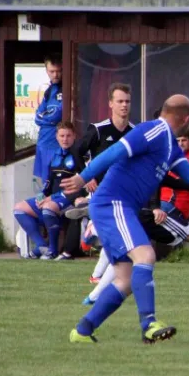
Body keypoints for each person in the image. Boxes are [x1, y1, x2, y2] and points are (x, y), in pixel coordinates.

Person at [60, 94, 189, 344]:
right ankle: (148, 324)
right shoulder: (153, 130)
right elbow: (115, 151)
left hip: (122, 207)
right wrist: (83, 178)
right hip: (112, 202)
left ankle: (82, 331)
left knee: (125, 281)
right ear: (187, 118)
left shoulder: (170, 144)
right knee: (146, 256)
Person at [81, 179, 189, 305]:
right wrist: (154, 207)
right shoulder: (154, 150)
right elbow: (155, 180)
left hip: (129, 211)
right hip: (147, 213)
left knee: (127, 259)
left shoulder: (143, 150)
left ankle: (93, 297)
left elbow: (167, 179)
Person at [55, 82, 134, 260]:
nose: (124, 105)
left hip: (124, 189)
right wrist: (86, 177)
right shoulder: (98, 130)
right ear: (110, 104)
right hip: (101, 188)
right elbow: (76, 151)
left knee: (119, 230)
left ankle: (92, 223)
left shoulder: (134, 132)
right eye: (120, 101)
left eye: (127, 101)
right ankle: (88, 229)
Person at [14, 122, 84, 260]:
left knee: (48, 207)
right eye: (62, 136)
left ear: (74, 136)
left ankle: (52, 250)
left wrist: (51, 198)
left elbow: (82, 185)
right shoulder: (55, 156)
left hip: (69, 198)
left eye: (68, 136)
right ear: (56, 137)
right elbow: (49, 182)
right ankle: (41, 245)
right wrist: (42, 195)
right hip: (52, 198)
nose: (65, 139)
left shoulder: (79, 156)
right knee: (19, 208)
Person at [160, 127, 189, 219]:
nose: (180, 144)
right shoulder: (173, 156)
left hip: (177, 203)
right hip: (165, 199)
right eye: (178, 141)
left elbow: (178, 179)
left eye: (184, 140)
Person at [33, 54, 63, 180]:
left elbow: (56, 114)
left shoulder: (65, 88)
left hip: (55, 144)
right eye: (52, 71)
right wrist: (46, 118)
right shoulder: (49, 90)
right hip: (43, 142)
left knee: (54, 183)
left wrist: (44, 117)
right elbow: (37, 116)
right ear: (46, 71)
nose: (55, 75)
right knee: (44, 183)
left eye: (59, 71)